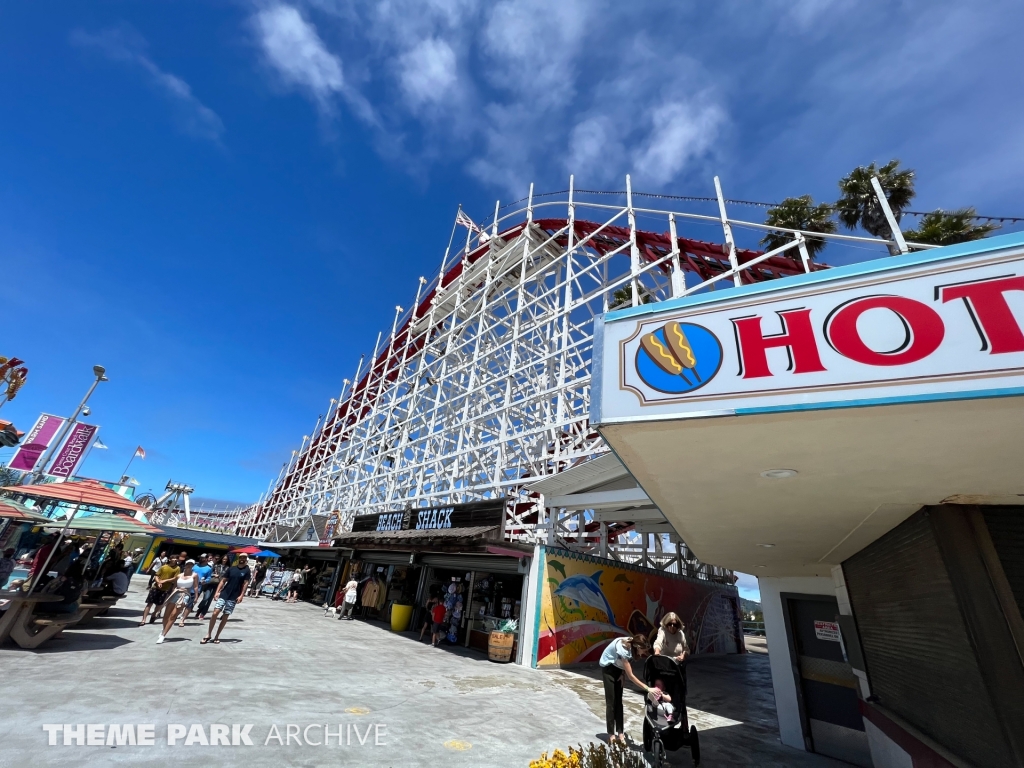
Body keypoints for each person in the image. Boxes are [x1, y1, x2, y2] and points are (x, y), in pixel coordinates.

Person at [599, 633, 653, 744]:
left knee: (619, 702)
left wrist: (622, 673)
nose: (644, 653)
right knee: (611, 702)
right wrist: (648, 689)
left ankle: (620, 733)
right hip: (608, 668)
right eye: (644, 650)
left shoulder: (633, 646)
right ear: (638, 647)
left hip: (618, 667)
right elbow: (631, 677)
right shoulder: (624, 650)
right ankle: (611, 735)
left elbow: (625, 665)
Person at [201, 553, 251, 645]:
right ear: (238, 558)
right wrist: (217, 592)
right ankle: (208, 634)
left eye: (244, 557)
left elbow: (245, 583)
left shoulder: (247, 570)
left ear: (246, 559)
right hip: (225, 593)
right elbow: (223, 580)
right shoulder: (232, 568)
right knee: (215, 612)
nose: (242, 559)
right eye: (241, 557)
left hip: (234, 596)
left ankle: (217, 636)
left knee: (225, 616)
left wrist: (241, 595)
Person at [157, 559, 199, 644]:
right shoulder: (179, 575)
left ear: (193, 566)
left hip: (185, 594)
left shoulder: (194, 575)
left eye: (191, 564)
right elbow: (174, 586)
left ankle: (163, 635)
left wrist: (196, 597)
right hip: (175, 593)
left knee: (173, 616)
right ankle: (164, 629)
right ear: (185, 564)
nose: (189, 566)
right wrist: (170, 595)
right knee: (166, 616)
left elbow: (195, 587)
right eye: (188, 564)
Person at [140, 557, 180, 626]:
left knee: (159, 605)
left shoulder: (177, 568)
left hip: (165, 589)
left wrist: (165, 580)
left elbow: (175, 578)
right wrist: (158, 582)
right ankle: (143, 620)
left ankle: (154, 613)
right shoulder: (164, 567)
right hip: (155, 587)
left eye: (176, 559)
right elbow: (156, 575)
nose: (175, 560)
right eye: (173, 558)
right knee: (149, 604)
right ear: (170, 559)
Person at [181, 554, 213, 626]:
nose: (201, 559)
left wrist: (205, 581)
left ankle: (183, 619)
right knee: (182, 603)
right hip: (186, 586)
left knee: (189, 605)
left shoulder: (209, 568)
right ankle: (178, 614)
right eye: (201, 557)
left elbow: (208, 578)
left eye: (203, 558)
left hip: (196, 588)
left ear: (207, 559)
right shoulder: (194, 565)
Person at [194, 554, 226, 620]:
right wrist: (214, 574)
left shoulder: (228, 567)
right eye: (223, 559)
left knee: (209, 600)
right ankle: (199, 610)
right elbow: (209, 573)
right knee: (206, 598)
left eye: (226, 559)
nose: (224, 560)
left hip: (218, 585)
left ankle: (203, 614)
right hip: (210, 583)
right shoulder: (216, 565)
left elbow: (226, 577)